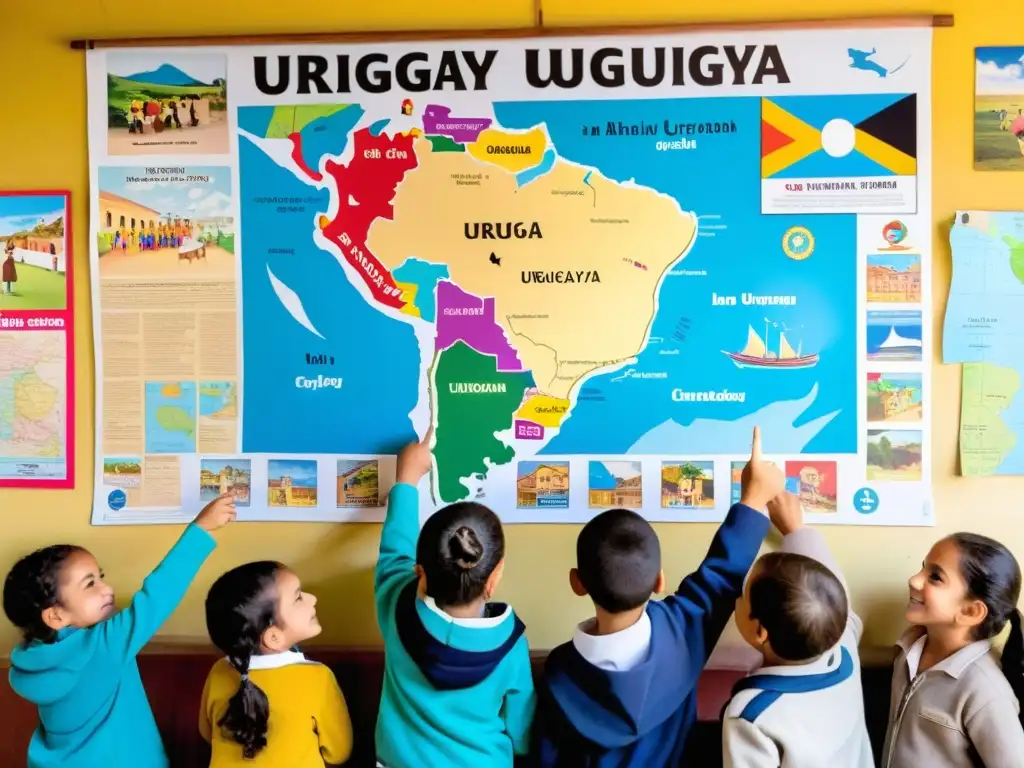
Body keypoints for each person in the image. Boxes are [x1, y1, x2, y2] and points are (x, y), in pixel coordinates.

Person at [531, 427, 783, 767]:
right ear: (659, 581)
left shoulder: (560, 672)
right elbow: (722, 575)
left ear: (578, 583)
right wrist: (753, 500)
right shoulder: (683, 632)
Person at [2, 494, 236, 768]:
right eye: (90, 585)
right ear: (56, 615)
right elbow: (157, 597)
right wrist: (201, 529)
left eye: (100, 577)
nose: (107, 588)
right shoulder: (103, 645)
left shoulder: (30, 659)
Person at [374, 426, 534, 768]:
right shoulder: (510, 643)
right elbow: (521, 731)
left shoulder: (396, 604)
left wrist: (406, 480)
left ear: (420, 571)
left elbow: (393, 551)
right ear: (494, 578)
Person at [722, 490, 872, 767]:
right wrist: (797, 531)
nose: (737, 597)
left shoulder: (752, 714)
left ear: (760, 631)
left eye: (743, 594)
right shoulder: (843, 652)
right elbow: (835, 601)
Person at [881, 533, 1024, 767]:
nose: (914, 580)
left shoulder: (985, 691)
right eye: (923, 568)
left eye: (935, 577)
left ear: (971, 612)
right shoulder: (908, 650)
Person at [199, 561, 352, 767]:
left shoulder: (219, 672)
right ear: (273, 637)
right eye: (298, 598)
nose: (312, 599)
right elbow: (338, 752)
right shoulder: (318, 678)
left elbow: (207, 732)